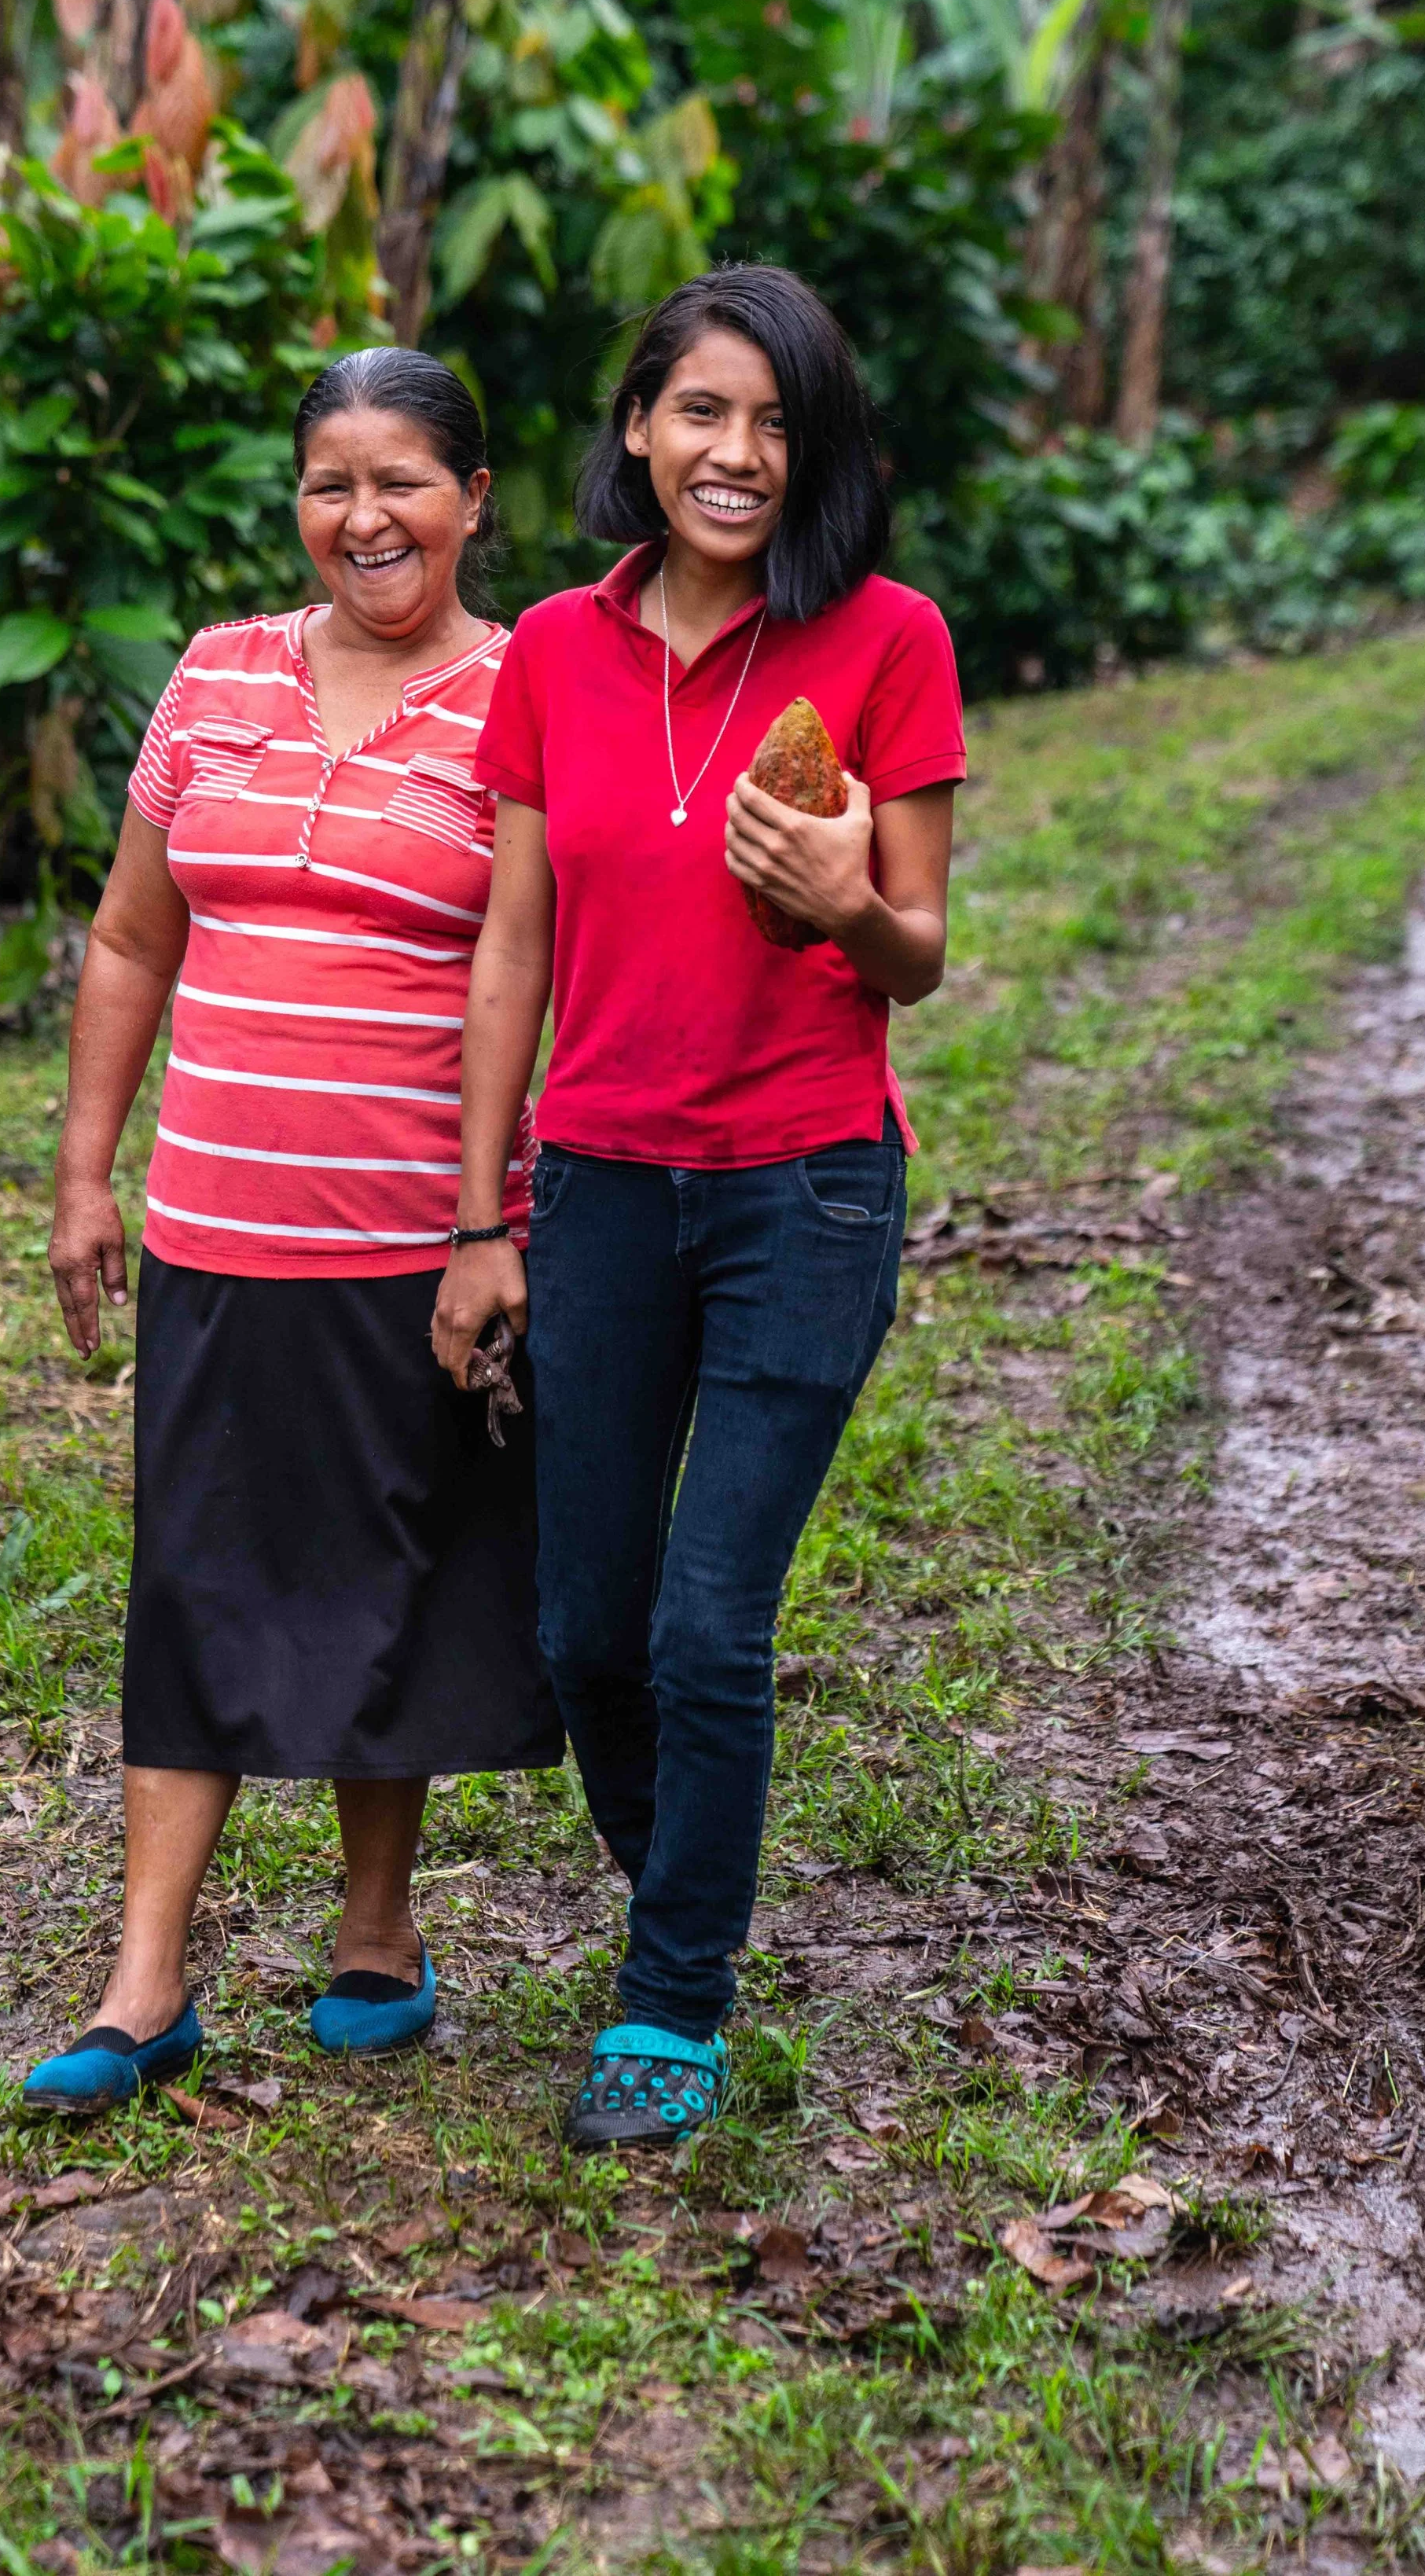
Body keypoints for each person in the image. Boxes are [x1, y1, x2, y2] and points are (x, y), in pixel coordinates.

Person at [432, 265, 962, 2152]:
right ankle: (695, 1884)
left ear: (809, 450)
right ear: (638, 433)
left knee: (704, 1629)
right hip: (591, 1189)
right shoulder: (550, 657)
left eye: (771, 421)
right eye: (699, 414)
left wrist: (839, 893)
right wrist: (481, 1212)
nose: (734, 453)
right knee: (585, 1628)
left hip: (802, 1190)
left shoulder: (885, 638)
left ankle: (672, 1994)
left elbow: (911, 953)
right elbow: (511, 945)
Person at [24, 349, 561, 2115]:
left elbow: (530, 966)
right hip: (215, 1224)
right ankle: (145, 1979)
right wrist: (87, 1170)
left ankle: (376, 1926)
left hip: (413, 1234)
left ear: (474, 499)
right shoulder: (215, 675)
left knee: (387, 1581)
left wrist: (491, 1220)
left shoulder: (522, 694)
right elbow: (128, 937)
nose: (364, 516)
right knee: (190, 1585)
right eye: (331, 481)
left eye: (403, 478)